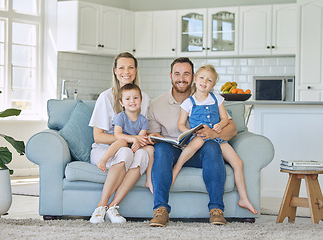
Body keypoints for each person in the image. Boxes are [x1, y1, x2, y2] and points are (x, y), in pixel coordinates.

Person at [147, 57, 238, 227]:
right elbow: (154, 136)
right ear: (170, 75)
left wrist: (212, 133)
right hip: (173, 151)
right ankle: (160, 210)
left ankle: (216, 210)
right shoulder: (156, 105)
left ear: (194, 77)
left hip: (200, 151)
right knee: (160, 149)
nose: (181, 78)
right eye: (177, 74)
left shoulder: (207, 98)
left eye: (186, 74)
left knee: (212, 147)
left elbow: (232, 129)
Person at [173, 65, 257, 215]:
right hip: (199, 135)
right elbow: (180, 124)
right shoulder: (188, 102)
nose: (204, 82)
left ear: (213, 85)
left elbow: (225, 118)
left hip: (218, 139)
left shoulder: (217, 98)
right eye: (201, 78)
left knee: (238, 163)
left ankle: (243, 198)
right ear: (194, 79)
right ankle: (177, 168)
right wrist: (190, 132)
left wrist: (220, 125)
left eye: (209, 80)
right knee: (191, 148)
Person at [88, 52, 150, 224]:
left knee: (143, 155)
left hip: (131, 148)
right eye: (121, 67)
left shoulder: (143, 98)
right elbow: (98, 136)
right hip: (104, 150)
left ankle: (113, 207)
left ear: (136, 70)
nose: (126, 71)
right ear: (115, 71)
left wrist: (144, 139)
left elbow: (142, 129)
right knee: (124, 151)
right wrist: (130, 139)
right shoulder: (106, 97)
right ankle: (100, 207)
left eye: (131, 67)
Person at [96, 83, 155, 192]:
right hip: (123, 143)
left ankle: (149, 179)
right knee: (121, 141)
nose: (132, 101)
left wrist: (137, 141)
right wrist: (133, 139)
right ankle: (103, 160)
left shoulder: (143, 121)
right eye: (128, 99)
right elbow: (117, 135)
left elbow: (141, 138)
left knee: (151, 149)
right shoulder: (120, 117)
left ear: (141, 101)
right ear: (122, 103)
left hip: (135, 145)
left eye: (136, 98)